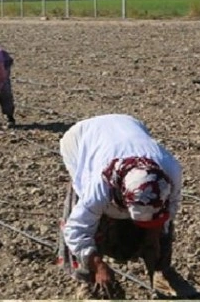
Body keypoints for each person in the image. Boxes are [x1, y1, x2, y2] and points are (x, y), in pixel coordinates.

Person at [57, 114, 190, 298]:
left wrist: (154, 237)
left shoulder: (170, 170)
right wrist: (97, 264)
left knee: (159, 227)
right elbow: (76, 230)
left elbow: (170, 208)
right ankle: (89, 280)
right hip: (83, 139)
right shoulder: (98, 187)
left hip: (130, 127)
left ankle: (162, 271)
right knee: (89, 220)